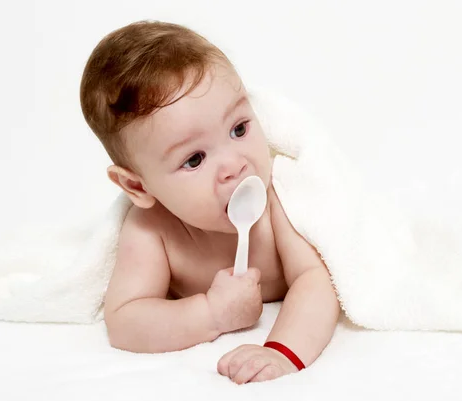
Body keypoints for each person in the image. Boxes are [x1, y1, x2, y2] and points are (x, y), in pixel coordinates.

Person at [80, 20, 340, 384]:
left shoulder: (277, 199)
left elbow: (315, 280)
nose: (235, 165)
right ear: (138, 187)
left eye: (239, 129)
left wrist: (281, 351)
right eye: (195, 159)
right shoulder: (152, 230)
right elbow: (125, 322)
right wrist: (212, 314)